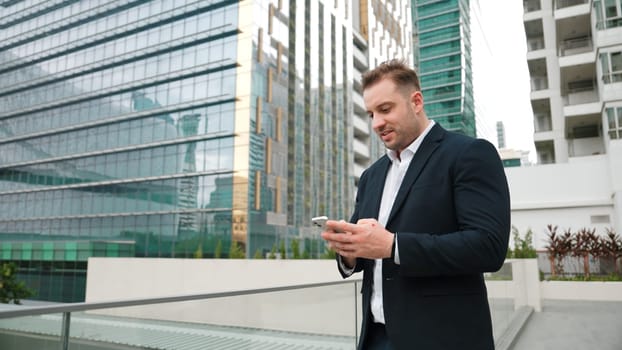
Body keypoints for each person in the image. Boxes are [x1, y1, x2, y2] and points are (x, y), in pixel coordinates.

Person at [321, 59, 510, 350]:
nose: (376, 123)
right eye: (371, 113)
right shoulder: (371, 176)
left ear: (416, 101)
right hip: (375, 338)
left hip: (443, 339)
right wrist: (348, 252)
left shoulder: (469, 154)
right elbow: (365, 253)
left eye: (385, 109)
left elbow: (488, 247)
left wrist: (394, 247)